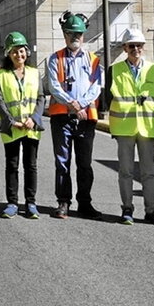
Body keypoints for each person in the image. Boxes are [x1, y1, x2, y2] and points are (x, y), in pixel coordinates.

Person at [105, 28, 154, 226]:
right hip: (124, 127)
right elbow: (108, 99)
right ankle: (127, 208)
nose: (135, 49)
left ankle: (152, 210)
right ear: (124, 48)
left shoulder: (153, 69)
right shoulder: (114, 70)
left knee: (149, 172)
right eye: (131, 46)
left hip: (147, 128)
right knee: (125, 171)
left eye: (138, 45)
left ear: (143, 47)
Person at [46, 11, 103, 220]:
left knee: (84, 163)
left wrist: (82, 105)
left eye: (78, 33)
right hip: (62, 118)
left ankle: (85, 203)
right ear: (64, 34)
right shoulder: (55, 59)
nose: (75, 37)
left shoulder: (94, 60)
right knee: (62, 161)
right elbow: (53, 86)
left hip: (85, 119)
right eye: (71, 33)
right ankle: (63, 202)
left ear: (84, 35)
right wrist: (72, 104)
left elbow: (97, 87)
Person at [0, 31, 44, 220]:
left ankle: (31, 203)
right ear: (8, 53)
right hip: (12, 128)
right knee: (12, 165)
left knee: (31, 165)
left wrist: (34, 118)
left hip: (31, 127)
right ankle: (12, 203)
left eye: (21, 51)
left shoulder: (34, 73)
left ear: (27, 52)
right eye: (14, 51)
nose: (18, 55)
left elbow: (40, 98)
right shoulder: (2, 75)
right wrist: (11, 121)